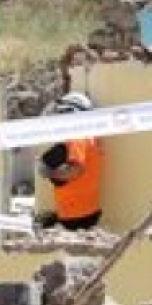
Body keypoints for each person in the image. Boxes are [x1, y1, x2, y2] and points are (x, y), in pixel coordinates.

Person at [36, 93, 104, 231]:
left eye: (63, 112)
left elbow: (75, 170)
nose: (60, 116)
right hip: (83, 209)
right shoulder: (88, 136)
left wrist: (50, 173)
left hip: (76, 214)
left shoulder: (77, 137)